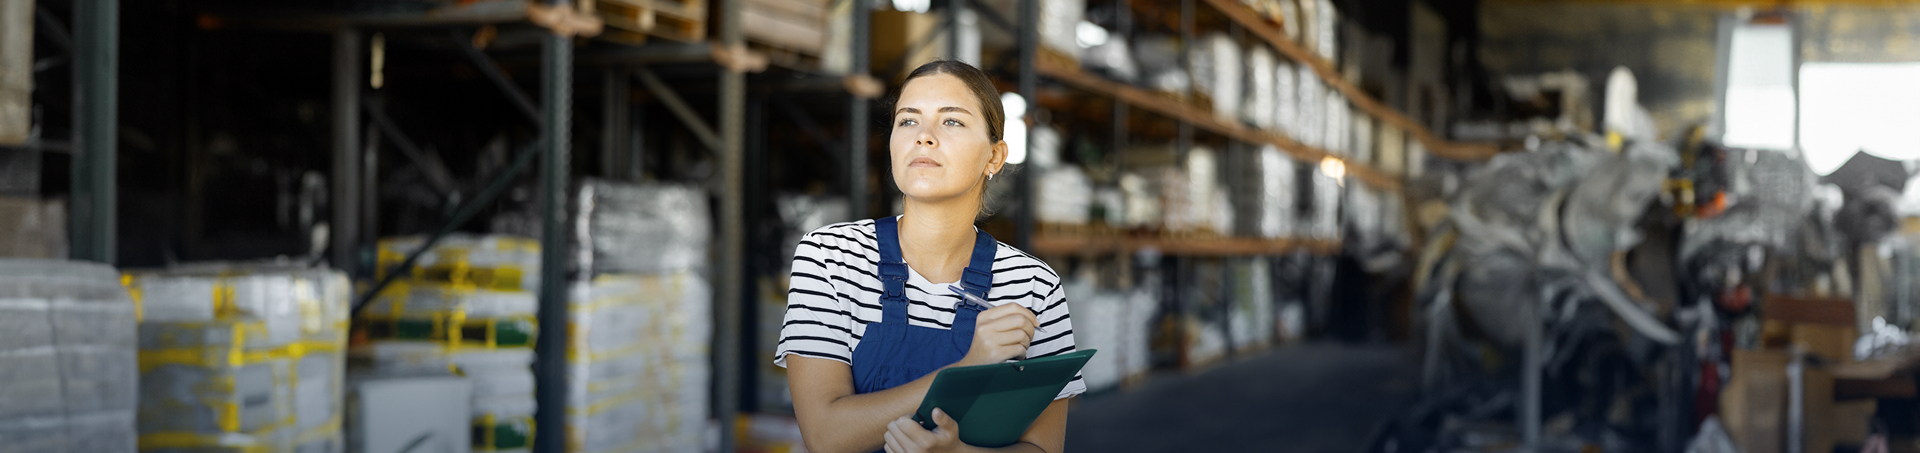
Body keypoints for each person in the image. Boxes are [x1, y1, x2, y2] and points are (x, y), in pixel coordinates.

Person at [774, 59, 1081, 453]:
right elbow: (825, 435)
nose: (924, 137)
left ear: (994, 156)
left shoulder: (1034, 284)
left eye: (951, 121)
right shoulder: (831, 257)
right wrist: (968, 367)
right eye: (908, 120)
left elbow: (1044, 448)